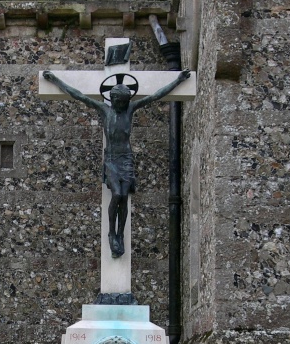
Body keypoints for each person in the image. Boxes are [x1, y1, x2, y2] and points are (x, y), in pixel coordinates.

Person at [43, 69, 192, 256]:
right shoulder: (105, 110)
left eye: (123, 102)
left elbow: (156, 95)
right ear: (112, 99)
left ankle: (120, 235)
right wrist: (55, 79)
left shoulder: (130, 109)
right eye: (117, 101)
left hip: (126, 159)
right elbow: (77, 94)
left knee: (124, 198)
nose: (120, 104)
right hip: (112, 160)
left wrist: (178, 80)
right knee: (118, 195)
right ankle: (111, 233)